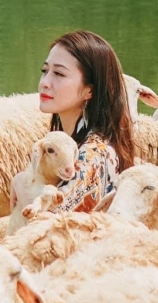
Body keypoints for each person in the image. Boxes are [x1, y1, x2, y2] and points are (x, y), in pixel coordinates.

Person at [38, 30, 135, 214]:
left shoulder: (92, 156)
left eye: (58, 73)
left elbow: (44, 223)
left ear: (89, 91)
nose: (45, 82)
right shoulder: (76, 144)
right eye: (45, 71)